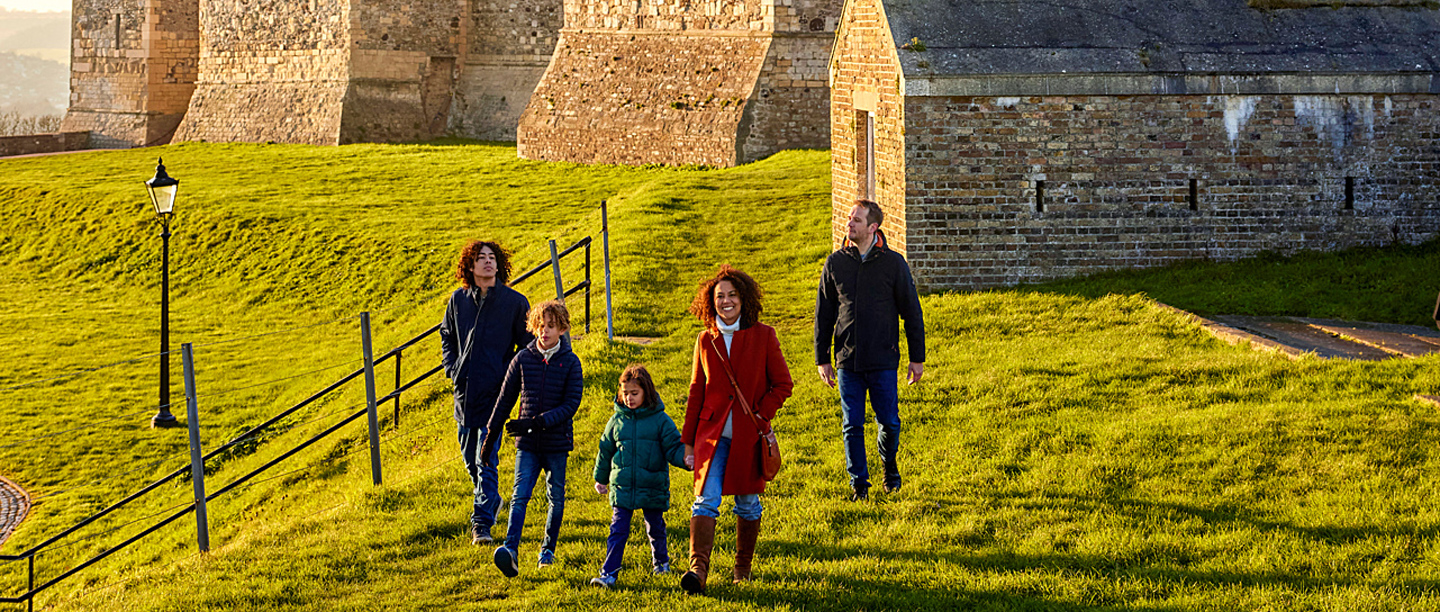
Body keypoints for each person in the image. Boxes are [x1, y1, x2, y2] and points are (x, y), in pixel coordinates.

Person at [680, 265, 793, 594]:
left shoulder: (764, 335)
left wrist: (761, 416)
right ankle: (697, 571)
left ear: (744, 299)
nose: (726, 302)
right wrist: (688, 443)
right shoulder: (705, 340)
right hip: (710, 439)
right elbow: (696, 393)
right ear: (710, 302)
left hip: (748, 437)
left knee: (747, 504)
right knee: (704, 500)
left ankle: (741, 569)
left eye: (732, 295)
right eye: (719, 297)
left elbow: (782, 384)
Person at [814, 199, 926, 501]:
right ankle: (859, 484)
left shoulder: (894, 263)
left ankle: (889, 466)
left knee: (888, 421)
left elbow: (912, 313)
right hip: (847, 360)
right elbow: (824, 313)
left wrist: (917, 358)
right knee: (852, 425)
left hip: (883, 358)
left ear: (872, 228)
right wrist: (822, 358)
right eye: (850, 218)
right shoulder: (835, 263)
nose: (850, 223)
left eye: (857, 220)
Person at [438, 240, 533, 545]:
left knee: (485, 457)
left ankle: (481, 524)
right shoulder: (458, 301)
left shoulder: (515, 303)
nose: (488, 262)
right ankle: (491, 500)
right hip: (465, 393)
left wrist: (510, 375)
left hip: (497, 393)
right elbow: (447, 336)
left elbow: (527, 344)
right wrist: (452, 369)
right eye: (481, 258)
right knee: (469, 457)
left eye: (492, 257)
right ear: (470, 266)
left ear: (499, 264)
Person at [481, 299, 584, 577]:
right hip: (526, 445)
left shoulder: (571, 363)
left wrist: (537, 423)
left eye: (551, 326)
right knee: (519, 496)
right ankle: (510, 550)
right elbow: (504, 401)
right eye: (540, 326)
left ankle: (547, 551)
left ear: (562, 328)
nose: (545, 331)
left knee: (556, 498)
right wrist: (490, 436)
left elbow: (571, 405)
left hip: (556, 443)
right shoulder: (523, 359)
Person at [589, 364, 694, 589]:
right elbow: (605, 450)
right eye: (625, 393)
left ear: (646, 392)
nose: (629, 398)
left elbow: (673, 447)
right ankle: (609, 573)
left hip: (652, 485)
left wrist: (686, 459)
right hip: (622, 488)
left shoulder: (660, 420)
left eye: (634, 393)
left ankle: (661, 563)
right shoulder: (616, 422)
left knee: (655, 527)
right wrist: (601, 478)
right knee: (617, 531)